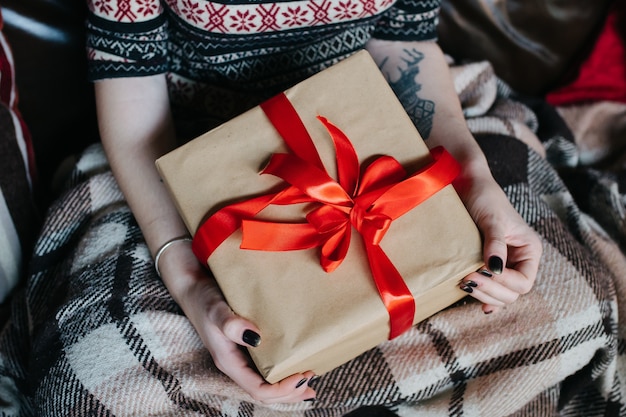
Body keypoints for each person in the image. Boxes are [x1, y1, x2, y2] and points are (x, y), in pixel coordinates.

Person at [87, 0, 542, 405]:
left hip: (379, 141)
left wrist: (474, 179)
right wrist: (185, 277)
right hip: (187, 182)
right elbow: (134, 105)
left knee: (539, 333)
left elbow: (404, 44)